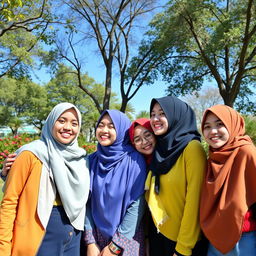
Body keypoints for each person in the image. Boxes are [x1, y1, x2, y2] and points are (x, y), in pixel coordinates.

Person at [0, 102, 90, 256]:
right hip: (40, 237)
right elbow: (9, 203)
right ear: (51, 122)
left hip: (74, 237)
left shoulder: (81, 159)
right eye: (61, 121)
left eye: (74, 123)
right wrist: (3, 249)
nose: (68, 127)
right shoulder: (31, 154)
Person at [145, 96, 207, 256]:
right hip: (158, 234)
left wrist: (183, 249)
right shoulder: (160, 149)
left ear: (175, 115)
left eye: (162, 113)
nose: (155, 119)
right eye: (152, 114)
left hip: (182, 242)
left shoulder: (192, 149)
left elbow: (195, 203)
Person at [84, 109, 147, 256]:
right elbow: (86, 202)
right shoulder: (92, 160)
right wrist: (90, 242)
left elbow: (137, 205)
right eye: (101, 125)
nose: (104, 130)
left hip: (127, 239)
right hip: (97, 237)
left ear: (121, 130)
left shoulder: (135, 161)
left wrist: (116, 246)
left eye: (112, 126)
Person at [200, 104, 256, 256]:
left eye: (220, 124)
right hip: (214, 239)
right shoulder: (213, 156)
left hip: (243, 240)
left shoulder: (246, 152)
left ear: (232, 125)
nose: (213, 131)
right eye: (207, 126)